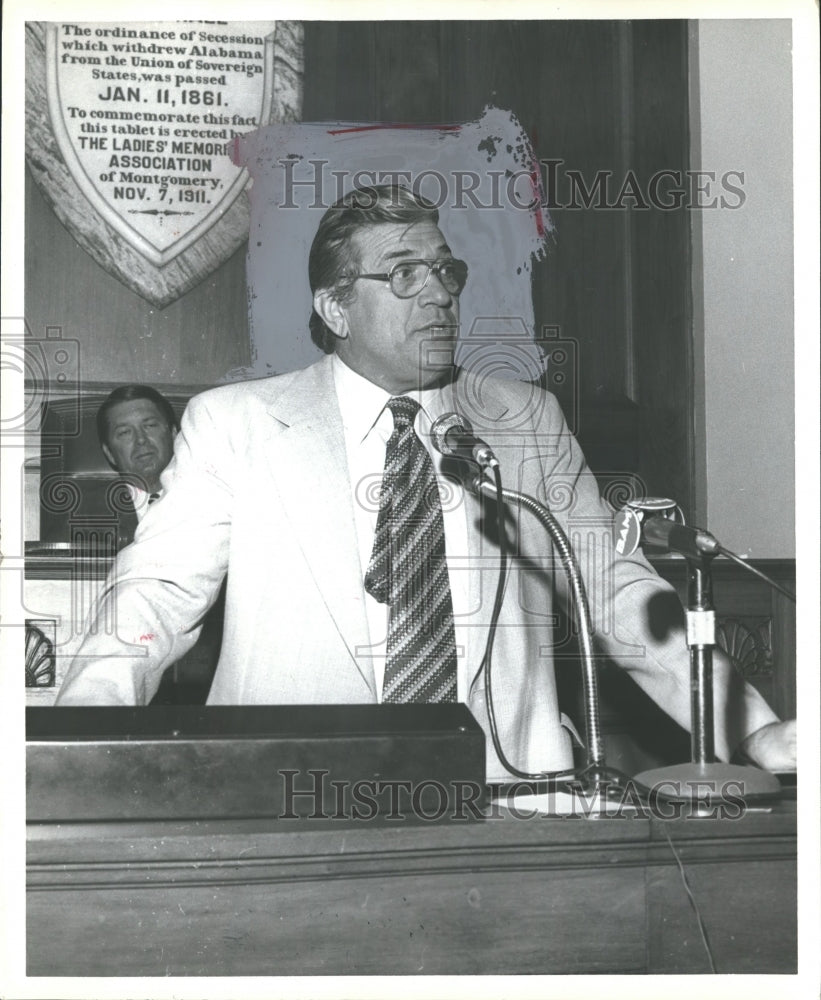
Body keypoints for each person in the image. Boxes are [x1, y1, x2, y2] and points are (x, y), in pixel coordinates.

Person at [57, 185, 795, 779]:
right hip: (290, 799)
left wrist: (753, 730)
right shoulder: (238, 424)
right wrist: (71, 743)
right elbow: (155, 593)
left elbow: (617, 590)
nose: (439, 293)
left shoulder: (521, 418)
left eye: (446, 272)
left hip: (503, 799)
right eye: (404, 273)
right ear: (334, 307)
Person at [96, 384, 179, 524]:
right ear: (109, 453)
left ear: (174, 434)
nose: (141, 439)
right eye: (124, 432)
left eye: (150, 425)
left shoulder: (210, 498)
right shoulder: (86, 513)